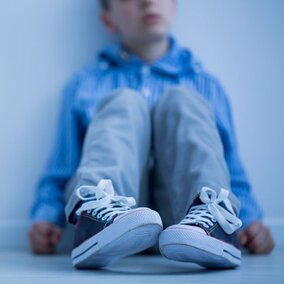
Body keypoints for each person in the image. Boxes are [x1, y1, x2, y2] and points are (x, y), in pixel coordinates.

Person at [28, 0, 274, 268]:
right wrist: (46, 218)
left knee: (183, 101)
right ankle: (97, 221)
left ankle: (212, 221)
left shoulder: (205, 84)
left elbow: (228, 163)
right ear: (108, 20)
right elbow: (63, 165)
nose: (147, 2)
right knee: (124, 102)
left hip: (186, 217)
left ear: (174, 6)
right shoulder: (85, 84)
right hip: (117, 220)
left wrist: (250, 221)